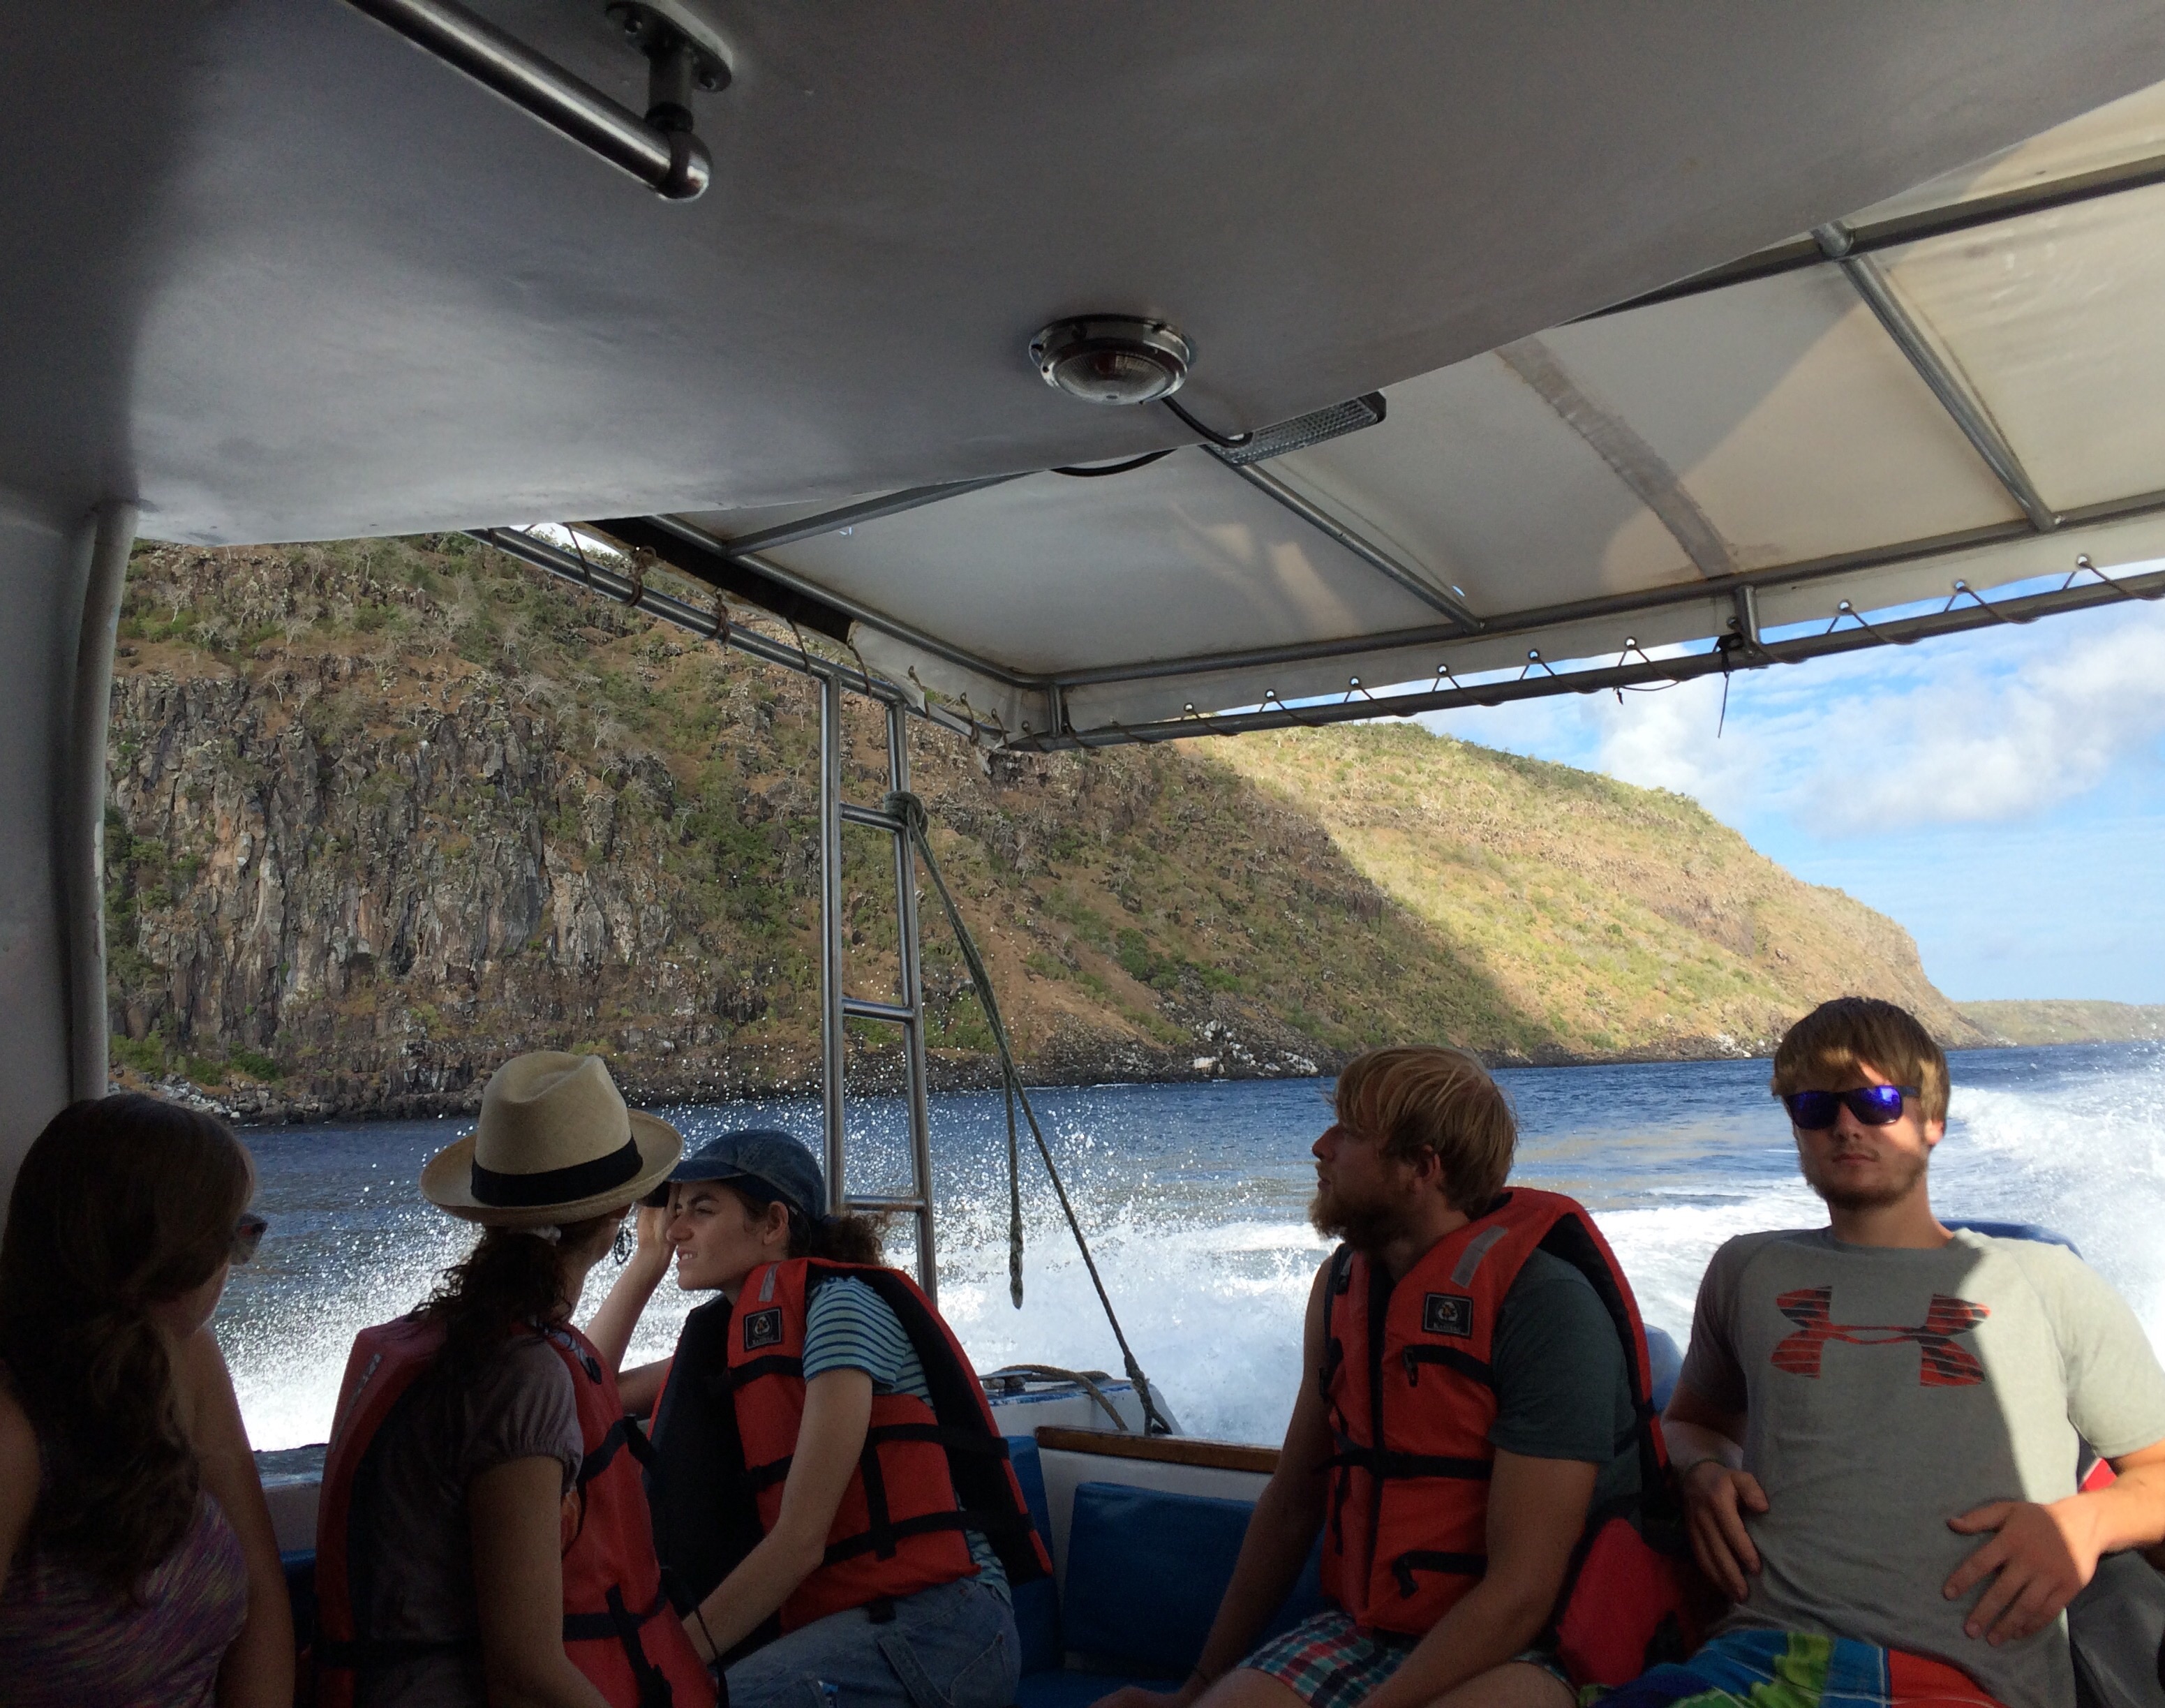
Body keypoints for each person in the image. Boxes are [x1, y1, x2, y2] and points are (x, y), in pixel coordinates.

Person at [1098, 1044, 1688, 1708]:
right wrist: (1194, 1689)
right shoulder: (1340, 1287)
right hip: (1375, 1630)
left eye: (1349, 1131)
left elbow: (1523, 1591)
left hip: (1540, 1644)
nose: (1320, 1147)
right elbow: (1292, 1506)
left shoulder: (1545, 1306)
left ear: (1421, 1167)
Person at [1635, 997, 2165, 1708]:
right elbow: (1692, 1421)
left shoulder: (2045, 1280)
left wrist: (2084, 1522)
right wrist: (1702, 1471)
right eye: (1815, 1106)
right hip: (1757, 1664)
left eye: (1877, 1101)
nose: (1846, 1124)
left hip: (1969, 1683)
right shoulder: (1747, 1271)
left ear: (1933, 1118)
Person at [587, 1127, 1050, 1708]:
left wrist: (662, 1661)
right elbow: (588, 1390)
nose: (676, 1229)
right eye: (673, 1212)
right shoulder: (737, 1338)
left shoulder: (841, 1309)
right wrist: (646, 1261)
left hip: (949, 1626)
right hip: (856, 1622)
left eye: (700, 1210)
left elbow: (800, 1541)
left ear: (773, 1223)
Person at [313, 1051, 714, 1708]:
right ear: (617, 1211)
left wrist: (645, 1262)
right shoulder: (520, 1375)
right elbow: (526, 1673)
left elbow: (585, 1375)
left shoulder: (451, 1336)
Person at [0, 1093, 292, 1708]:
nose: (235, 1262)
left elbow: (263, 1598)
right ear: (169, 1256)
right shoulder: (14, 1435)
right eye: (237, 1236)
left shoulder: (188, 1355)